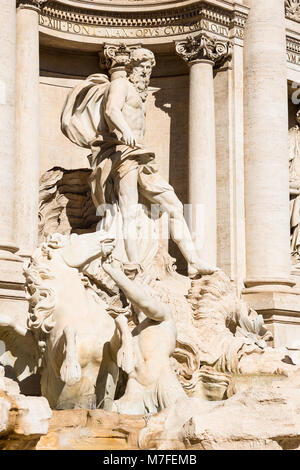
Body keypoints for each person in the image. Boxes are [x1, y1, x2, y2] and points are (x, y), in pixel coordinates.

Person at [62, 45, 218, 277]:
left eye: (149, 68)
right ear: (132, 68)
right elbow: (112, 110)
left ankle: (193, 261)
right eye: (142, 67)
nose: (146, 72)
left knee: (174, 205)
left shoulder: (139, 92)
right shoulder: (121, 85)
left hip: (141, 157)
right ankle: (132, 262)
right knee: (129, 209)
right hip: (122, 154)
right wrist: (125, 131)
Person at [102, 253, 186, 415]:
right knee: (111, 415)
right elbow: (114, 358)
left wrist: (115, 273)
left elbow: (144, 302)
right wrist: (123, 329)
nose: (137, 300)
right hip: (136, 391)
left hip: (164, 386)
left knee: (181, 417)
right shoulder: (132, 334)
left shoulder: (164, 317)